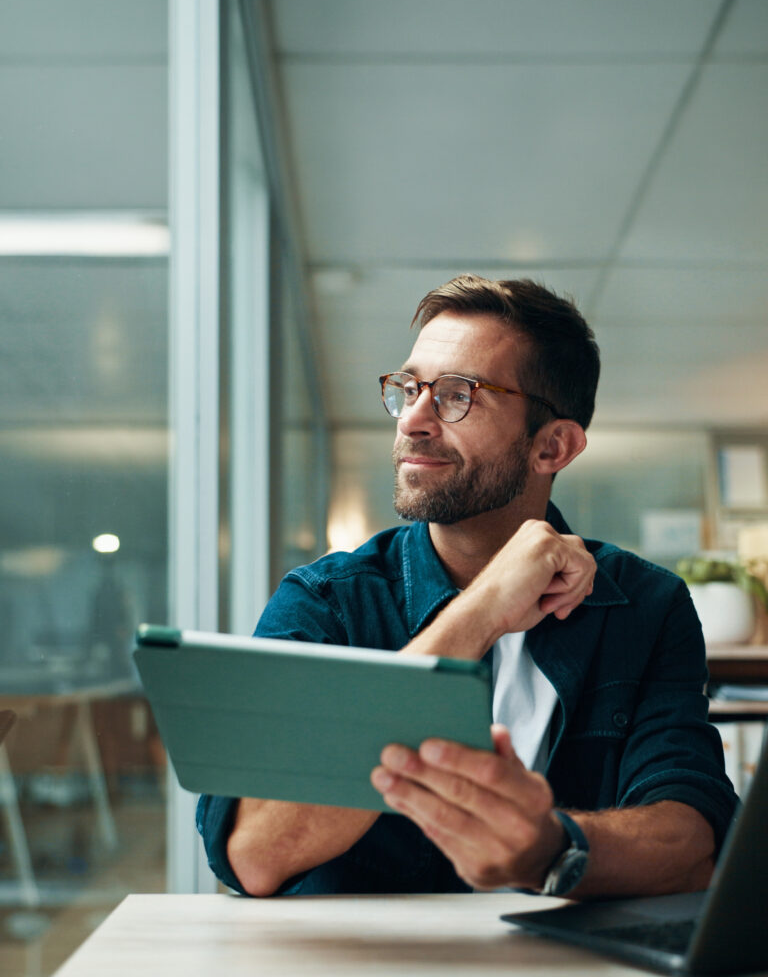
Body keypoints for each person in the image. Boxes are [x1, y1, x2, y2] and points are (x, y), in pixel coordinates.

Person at [197, 274, 737, 899]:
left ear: (553, 446)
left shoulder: (646, 605)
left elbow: (693, 842)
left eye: (459, 395)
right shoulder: (327, 603)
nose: (414, 422)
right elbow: (251, 853)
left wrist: (548, 847)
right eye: (409, 389)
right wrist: (478, 613)